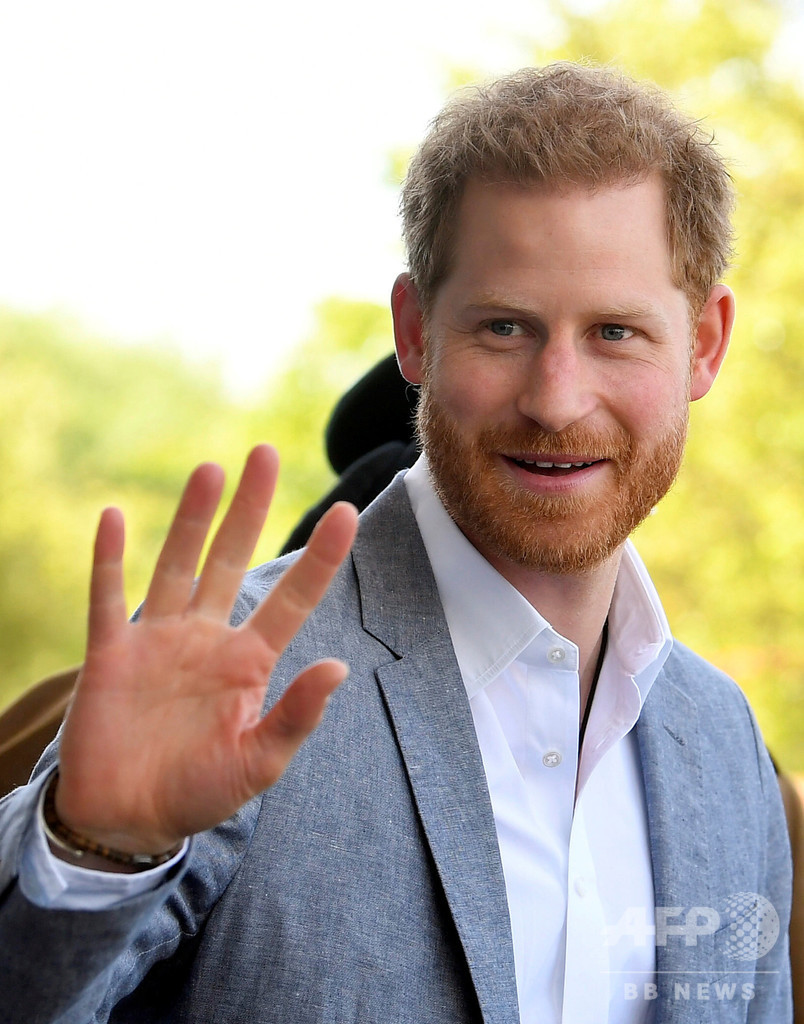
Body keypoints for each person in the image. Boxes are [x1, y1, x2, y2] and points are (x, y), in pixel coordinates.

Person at [0, 63, 792, 1023]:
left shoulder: (724, 742)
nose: (556, 400)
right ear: (415, 333)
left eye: (616, 333)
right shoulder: (234, 674)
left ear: (704, 344)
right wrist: (92, 852)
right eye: (504, 327)